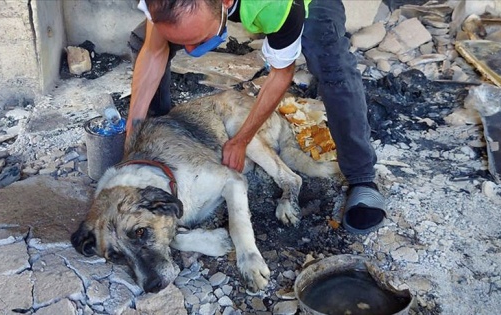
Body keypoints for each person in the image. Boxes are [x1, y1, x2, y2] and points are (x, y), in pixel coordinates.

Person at [126, 0, 386, 234]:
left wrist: (241, 140)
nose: (189, 49)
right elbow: (153, 50)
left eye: (196, 39)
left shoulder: (277, 6)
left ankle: (362, 177)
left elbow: (281, 74)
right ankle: (160, 129)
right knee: (142, 40)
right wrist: (134, 133)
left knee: (332, 62)